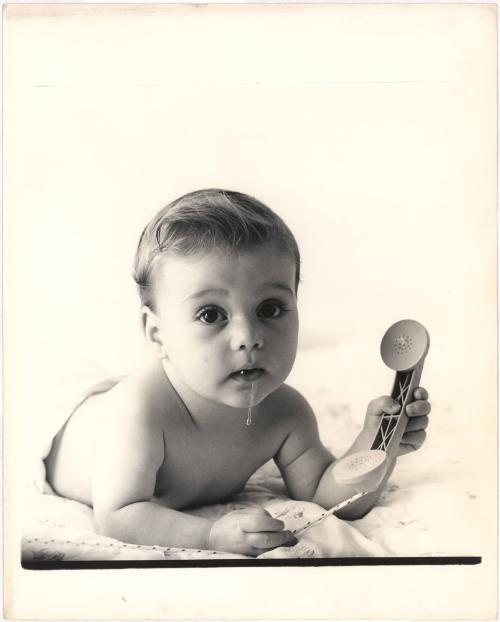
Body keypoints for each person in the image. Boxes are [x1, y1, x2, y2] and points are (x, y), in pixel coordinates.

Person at [44, 189, 431, 556]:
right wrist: (210, 534)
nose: (248, 337)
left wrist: (376, 444)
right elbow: (119, 516)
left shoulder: (285, 413)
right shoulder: (140, 411)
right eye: (211, 315)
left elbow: (323, 494)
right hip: (61, 413)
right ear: (156, 332)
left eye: (270, 309)